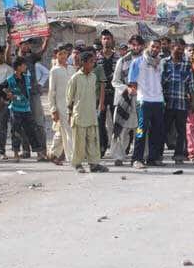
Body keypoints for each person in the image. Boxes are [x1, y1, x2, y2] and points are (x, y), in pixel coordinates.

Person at [0, 57, 47, 162]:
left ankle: (39, 154)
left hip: (26, 109)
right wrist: (7, 95)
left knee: (32, 131)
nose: (25, 67)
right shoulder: (10, 79)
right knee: (16, 132)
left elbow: (30, 89)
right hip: (15, 110)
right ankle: (16, 154)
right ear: (18, 67)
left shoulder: (27, 77)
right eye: (24, 65)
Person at [67, 51, 108, 173]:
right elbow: (69, 98)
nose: (93, 64)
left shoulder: (93, 77)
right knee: (79, 142)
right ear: (83, 63)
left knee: (93, 141)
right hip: (79, 114)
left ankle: (94, 164)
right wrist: (69, 114)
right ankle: (77, 164)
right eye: (91, 62)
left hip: (91, 114)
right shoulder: (75, 78)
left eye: (93, 62)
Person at [128, 38, 166, 168]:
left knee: (157, 131)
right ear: (147, 47)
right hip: (144, 100)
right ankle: (136, 159)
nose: (155, 49)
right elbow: (132, 83)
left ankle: (153, 158)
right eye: (153, 46)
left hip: (158, 100)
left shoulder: (160, 63)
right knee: (141, 130)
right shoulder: (137, 62)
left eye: (157, 47)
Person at [110, 35, 143, 166]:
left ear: (142, 46)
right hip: (124, 100)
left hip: (141, 99)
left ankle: (140, 156)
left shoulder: (146, 61)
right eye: (133, 44)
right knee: (122, 130)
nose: (135, 47)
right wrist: (127, 88)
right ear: (129, 45)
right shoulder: (122, 61)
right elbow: (115, 81)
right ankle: (119, 156)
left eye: (138, 45)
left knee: (140, 130)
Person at [161, 39, 194, 163]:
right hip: (167, 103)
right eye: (177, 48)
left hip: (182, 103)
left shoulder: (187, 64)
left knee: (181, 131)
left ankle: (179, 155)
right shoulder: (164, 63)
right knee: (163, 130)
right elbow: (159, 82)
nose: (180, 51)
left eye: (182, 48)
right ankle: (158, 155)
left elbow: (191, 84)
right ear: (172, 48)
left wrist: (193, 100)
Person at [47, 43, 76, 165]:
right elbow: (51, 91)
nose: (63, 56)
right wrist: (53, 109)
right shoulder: (54, 70)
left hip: (73, 104)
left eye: (65, 53)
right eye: (60, 54)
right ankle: (72, 158)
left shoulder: (71, 69)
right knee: (68, 130)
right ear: (56, 55)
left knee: (63, 130)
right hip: (61, 105)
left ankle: (53, 153)